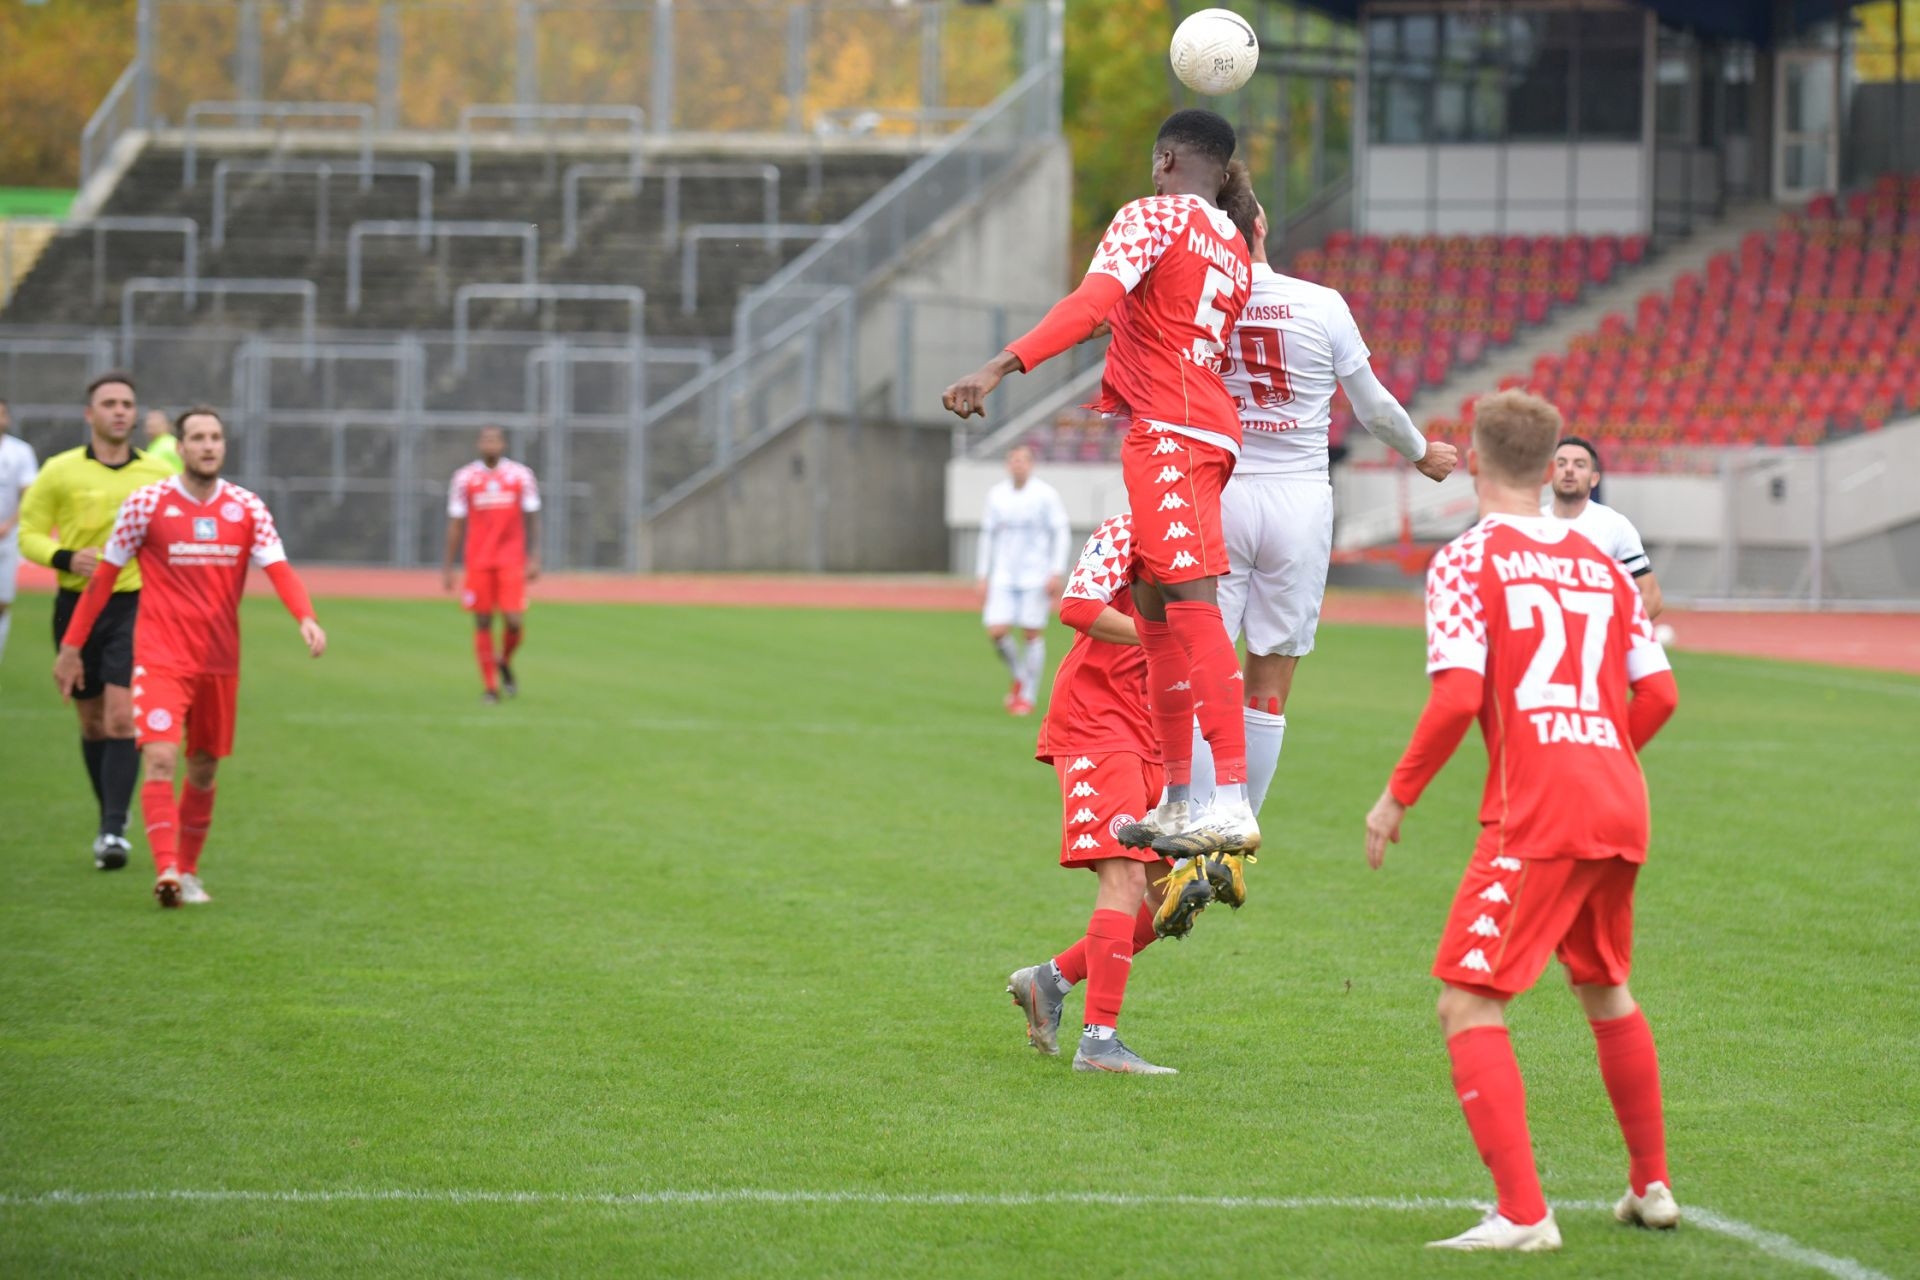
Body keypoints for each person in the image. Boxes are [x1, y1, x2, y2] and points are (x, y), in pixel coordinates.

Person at [1363, 390, 1681, 1253]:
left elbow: (1459, 694)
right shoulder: (1608, 569)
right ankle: (1651, 1184)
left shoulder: (1467, 561)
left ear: (1471, 458)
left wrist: (1397, 795)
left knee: (1467, 1001)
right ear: (1552, 471)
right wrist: (1603, 750)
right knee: (1604, 985)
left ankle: (1522, 1213)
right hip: (1620, 798)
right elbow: (1659, 693)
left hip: (1538, 807)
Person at [943, 108, 1259, 861]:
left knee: (1192, 609)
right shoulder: (1236, 247)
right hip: (1204, 427)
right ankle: (1182, 802)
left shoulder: (1151, 216)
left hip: (1173, 433)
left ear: (1165, 161)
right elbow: (1121, 319)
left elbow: (1090, 304)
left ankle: (1232, 800)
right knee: (1155, 617)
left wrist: (998, 365)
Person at [1173, 182, 1460, 913]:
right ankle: (1233, 847)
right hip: (1301, 501)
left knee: (1209, 677)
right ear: (1261, 222)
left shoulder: (1202, 305)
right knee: (1268, 682)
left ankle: (1190, 846)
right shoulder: (1321, 303)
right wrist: (1423, 453)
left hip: (1225, 490)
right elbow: (1374, 408)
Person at [54, 407, 326, 908]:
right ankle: (168, 873)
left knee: (202, 769)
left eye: (216, 438)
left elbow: (279, 569)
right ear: (180, 447)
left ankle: (190, 869)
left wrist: (304, 616)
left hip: (220, 662)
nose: (208, 446)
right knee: (159, 757)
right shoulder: (146, 504)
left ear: (224, 446)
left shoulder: (247, 507)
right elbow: (104, 580)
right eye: (198, 437)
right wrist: (72, 647)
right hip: (160, 657)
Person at [1004, 513, 1189, 1074]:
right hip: (1099, 720)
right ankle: (1099, 1043)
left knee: (1174, 902)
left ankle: (1048, 980)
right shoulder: (1130, 525)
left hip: (1163, 730)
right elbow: (1078, 607)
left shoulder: (1219, 537)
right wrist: (1160, 636)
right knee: (1127, 877)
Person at [18, 372, 174, 870]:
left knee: (122, 717)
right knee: (90, 723)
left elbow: (172, 536)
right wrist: (64, 557)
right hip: (74, 605)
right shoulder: (60, 471)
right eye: (108, 403)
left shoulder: (155, 474)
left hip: (134, 603)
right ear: (90, 414)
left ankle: (112, 830)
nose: (120, 411)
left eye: (127, 403)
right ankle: (111, 808)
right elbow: (28, 534)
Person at [443, 426, 540, 703]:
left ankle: (503, 660)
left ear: (504, 444)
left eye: (495, 439)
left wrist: (535, 557)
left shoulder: (521, 475)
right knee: (483, 621)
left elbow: (533, 516)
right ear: (478, 444)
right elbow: (456, 523)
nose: (490, 443)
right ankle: (490, 688)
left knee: (513, 621)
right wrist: (448, 568)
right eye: (485, 439)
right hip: (479, 559)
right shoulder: (464, 478)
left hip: (511, 559)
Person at [975, 444, 1070, 715]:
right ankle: (1021, 676)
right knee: (996, 631)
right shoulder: (997, 496)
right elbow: (987, 536)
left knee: (1031, 632)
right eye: (1013, 461)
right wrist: (983, 574)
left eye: (1022, 461)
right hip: (1003, 575)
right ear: (1008, 465)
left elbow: (1060, 532)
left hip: (1035, 576)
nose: (1017, 465)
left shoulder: (1045, 495)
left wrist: (1055, 570)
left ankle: (1026, 695)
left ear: (1031, 464)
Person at [1546, 437, 1661, 618]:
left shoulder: (1615, 525)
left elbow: (1651, 597)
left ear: (1594, 479)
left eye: (1579, 465)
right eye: (1561, 464)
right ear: (1549, 473)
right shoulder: (1529, 523)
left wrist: (1616, 639)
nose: (1569, 469)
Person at [0, 398, 41, 668]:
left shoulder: (20, 452)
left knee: (2, 603)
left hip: (5, 537)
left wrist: (8, 524)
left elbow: (29, 496)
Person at [142, 408, 184, 474]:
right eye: (149, 425)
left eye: (155, 425)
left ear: (167, 425)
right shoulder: (156, 444)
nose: (150, 422)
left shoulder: (169, 445)